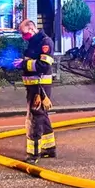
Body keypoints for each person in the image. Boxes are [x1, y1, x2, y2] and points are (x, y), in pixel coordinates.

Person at [14, 19, 56, 164]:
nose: (23, 36)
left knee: (35, 119)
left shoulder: (46, 42)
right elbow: (31, 64)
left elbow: (43, 65)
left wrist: (24, 63)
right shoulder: (33, 43)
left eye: (24, 33)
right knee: (42, 116)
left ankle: (33, 154)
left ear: (32, 29)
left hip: (40, 88)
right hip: (33, 87)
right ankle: (49, 148)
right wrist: (20, 65)